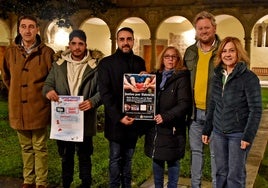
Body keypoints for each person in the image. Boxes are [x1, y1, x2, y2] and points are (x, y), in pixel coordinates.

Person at [42, 29, 103, 188]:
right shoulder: (58, 65)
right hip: (65, 122)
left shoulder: (95, 66)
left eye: (80, 44)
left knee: (85, 156)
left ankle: (85, 184)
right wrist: (49, 91)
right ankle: (66, 183)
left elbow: (103, 90)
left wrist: (93, 101)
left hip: (85, 118)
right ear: (69, 45)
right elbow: (47, 84)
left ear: (86, 45)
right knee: (66, 156)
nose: (77, 47)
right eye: (74, 43)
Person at [0, 15, 54, 188]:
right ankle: (28, 180)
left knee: (39, 147)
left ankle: (41, 182)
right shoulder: (10, 52)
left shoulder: (46, 52)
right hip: (18, 108)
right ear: (19, 30)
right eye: (23, 26)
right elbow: (7, 77)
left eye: (31, 26)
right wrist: (17, 93)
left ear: (37, 29)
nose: (27, 30)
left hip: (39, 107)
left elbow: (51, 80)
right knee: (25, 148)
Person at [202, 36, 262, 188]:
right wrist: (207, 129)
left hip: (238, 134)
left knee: (235, 175)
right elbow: (213, 104)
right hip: (219, 132)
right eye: (224, 51)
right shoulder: (217, 76)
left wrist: (248, 135)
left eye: (231, 51)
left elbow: (256, 109)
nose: (227, 54)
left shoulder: (248, 78)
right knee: (220, 172)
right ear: (220, 54)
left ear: (239, 53)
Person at [98, 27, 146, 188]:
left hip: (134, 121)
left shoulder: (140, 62)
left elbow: (144, 93)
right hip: (116, 122)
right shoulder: (106, 63)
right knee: (115, 158)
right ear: (117, 41)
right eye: (122, 39)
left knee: (129, 159)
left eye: (129, 39)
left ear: (133, 40)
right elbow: (105, 94)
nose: (126, 42)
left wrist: (147, 79)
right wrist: (119, 116)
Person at [144, 46, 192, 188]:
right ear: (162, 59)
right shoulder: (156, 76)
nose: (170, 59)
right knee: (157, 159)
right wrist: (144, 77)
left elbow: (184, 104)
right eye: (167, 56)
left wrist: (166, 116)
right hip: (156, 128)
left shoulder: (182, 77)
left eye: (174, 56)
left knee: (173, 161)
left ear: (178, 59)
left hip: (172, 127)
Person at [183, 11, 220, 188]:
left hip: (217, 113)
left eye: (207, 27)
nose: (204, 31)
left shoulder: (223, 50)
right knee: (196, 153)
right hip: (194, 113)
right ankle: (195, 185)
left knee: (216, 154)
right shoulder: (190, 51)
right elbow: (181, 76)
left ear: (214, 28)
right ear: (196, 31)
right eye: (200, 28)